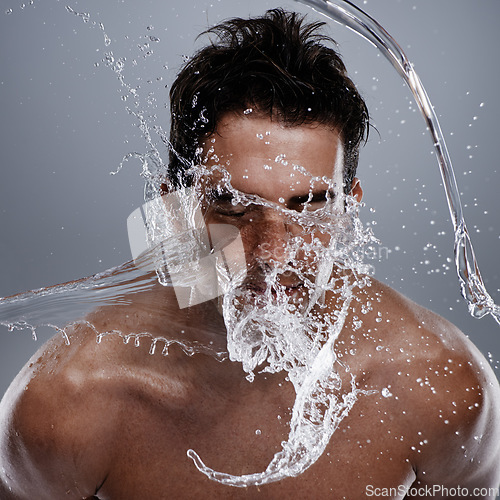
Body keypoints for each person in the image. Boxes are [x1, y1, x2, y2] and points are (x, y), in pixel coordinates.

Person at [1, 8, 499, 499]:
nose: (273, 252)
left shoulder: (440, 387)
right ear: (178, 212)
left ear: (349, 209)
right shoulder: (71, 399)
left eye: (309, 207)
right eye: (235, 207)